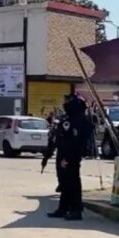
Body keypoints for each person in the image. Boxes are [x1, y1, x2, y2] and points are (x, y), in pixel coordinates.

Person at [41, 93, 92, 221]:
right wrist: (48, 154)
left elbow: (75, 140)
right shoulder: (68, 118)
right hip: (63, 153)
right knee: (64, 183)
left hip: (71, 155)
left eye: (69, 101)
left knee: (72, 182)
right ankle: (63, 208)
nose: (66, 103)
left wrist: (67, 157)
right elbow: (58, 136)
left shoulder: (79, 119)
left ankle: (75, 209)